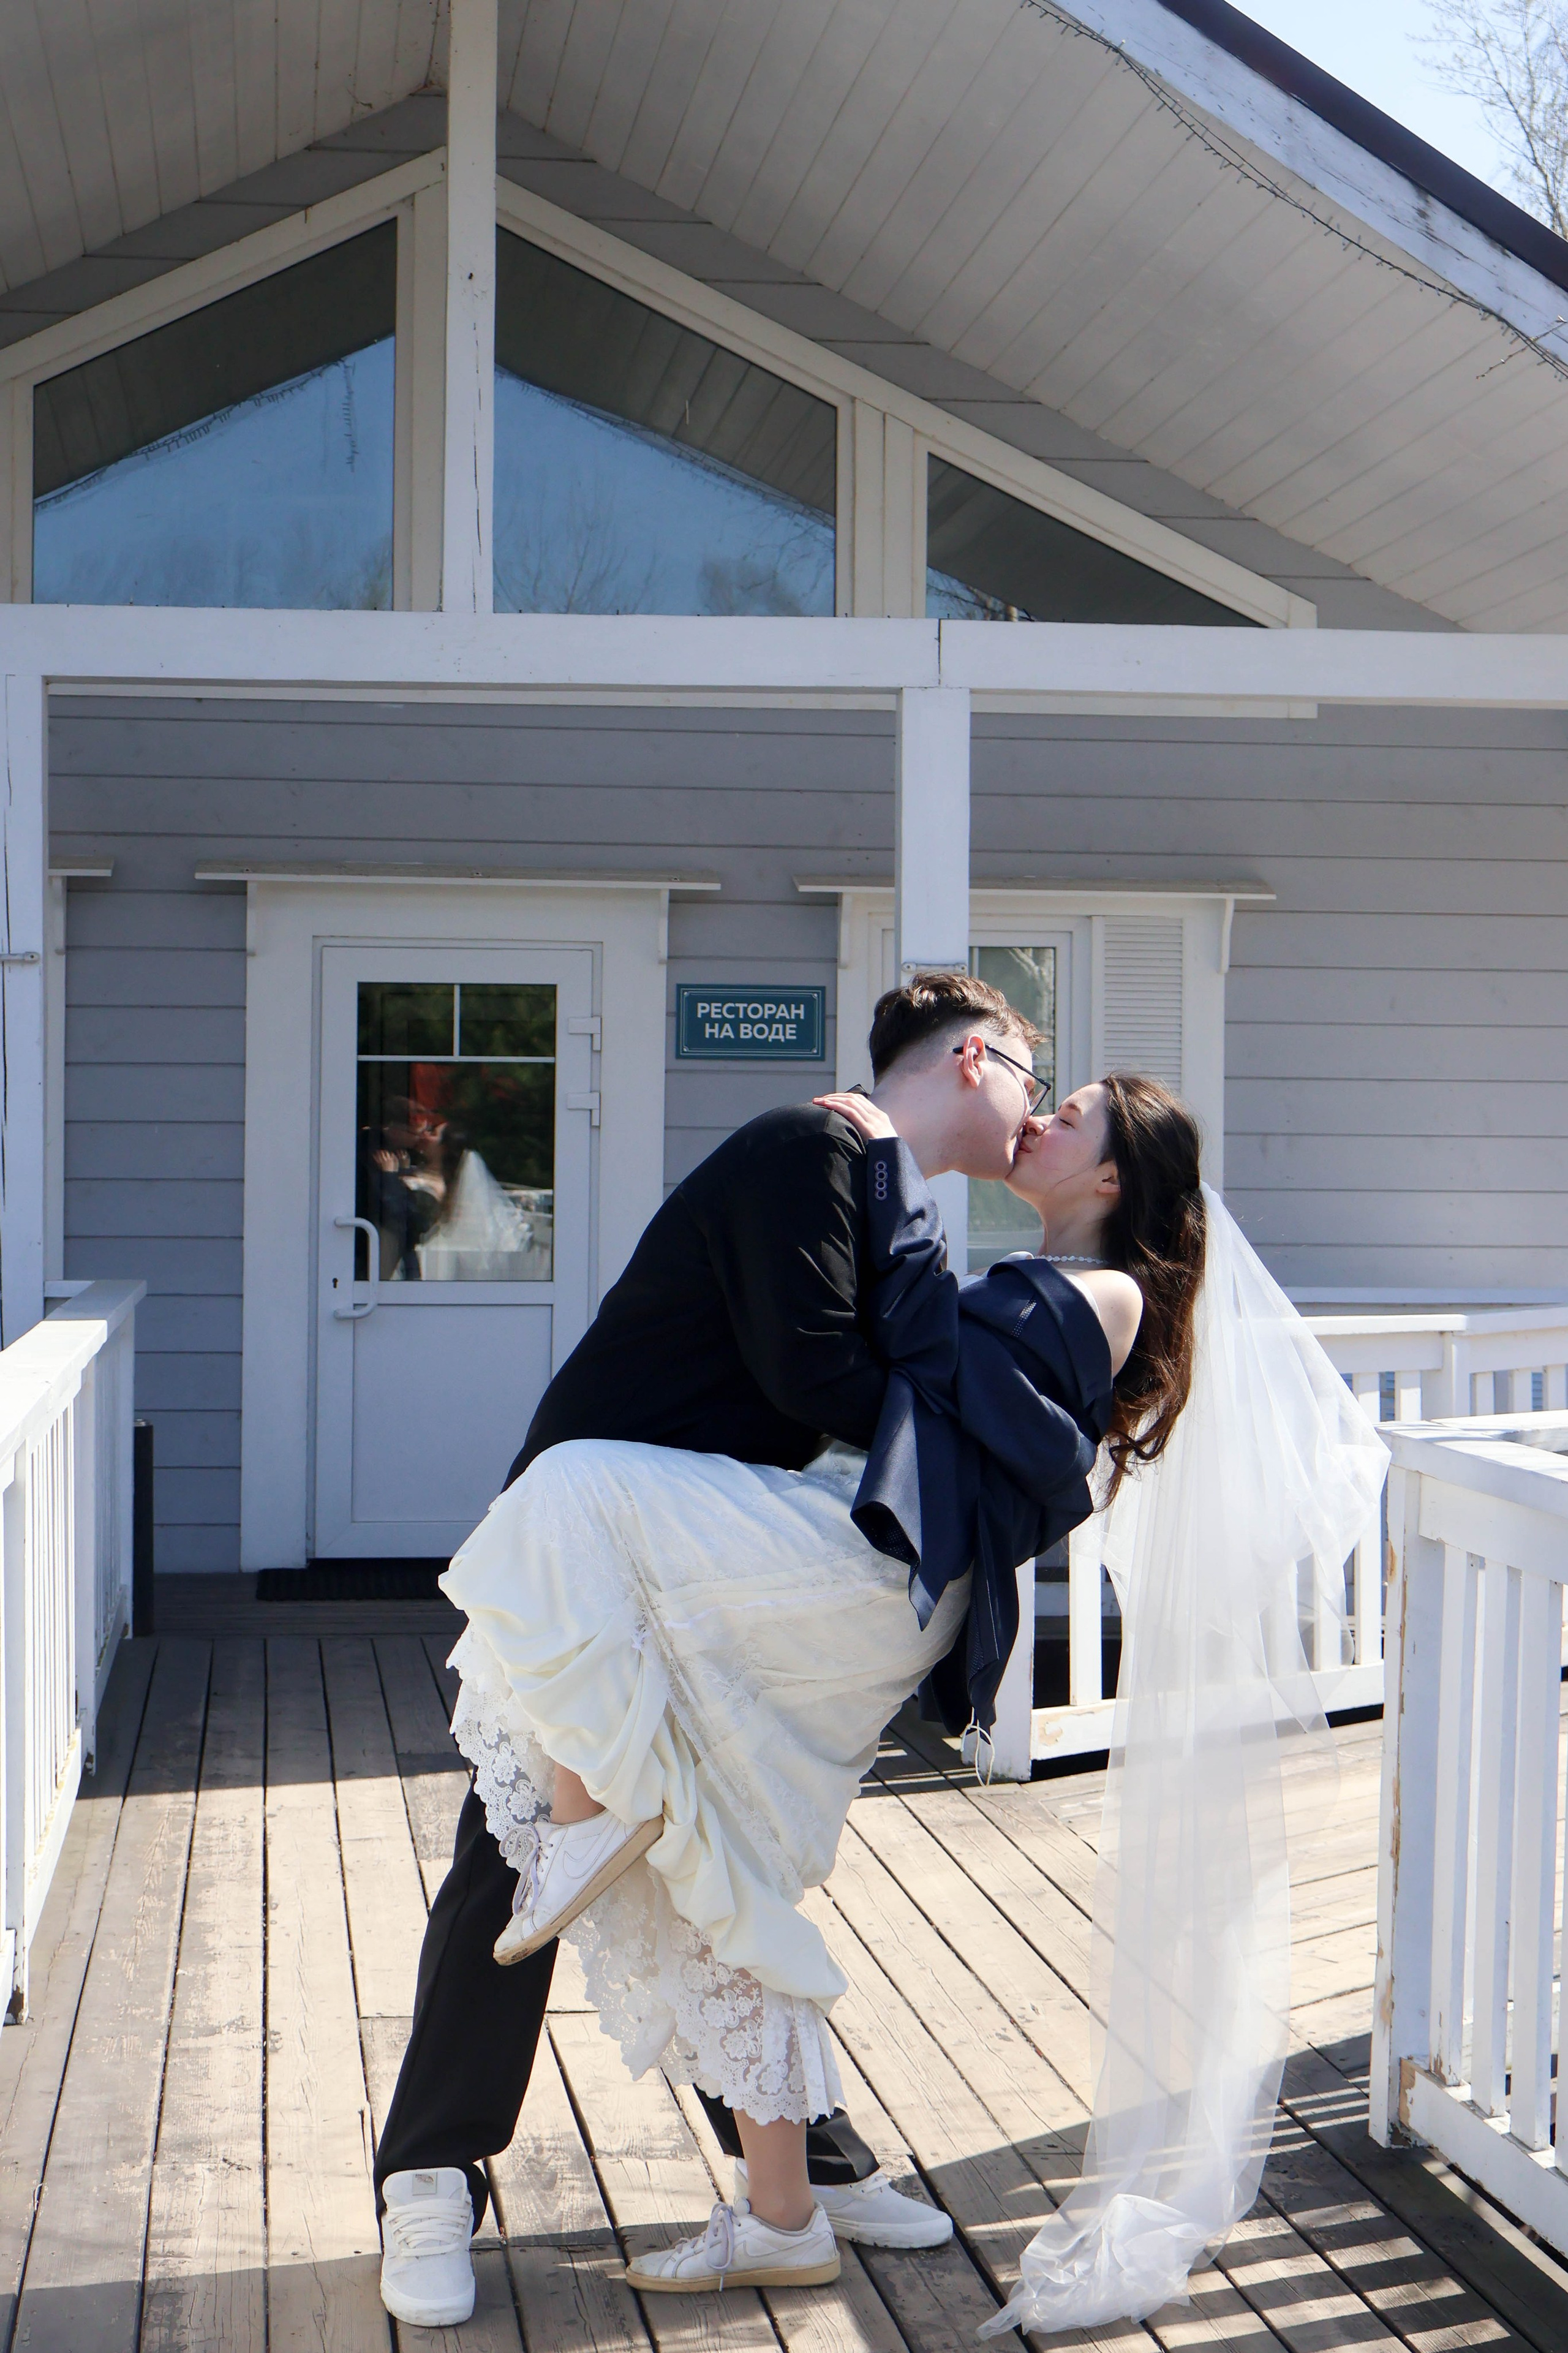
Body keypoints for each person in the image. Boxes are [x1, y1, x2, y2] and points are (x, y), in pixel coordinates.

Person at [375, 969, 1052, 2329]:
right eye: (1032, 1080)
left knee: (713, 1850)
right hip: (592, 1552)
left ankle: (805, 2164)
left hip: (698, 1563)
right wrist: (977, 1429)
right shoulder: (810, 1147)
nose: (1035, 1115)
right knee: (515, 1845)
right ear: (974, 1057)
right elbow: (812, 1370)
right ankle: (428, 2172)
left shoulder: (889, 1186)